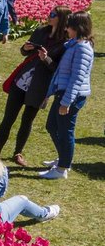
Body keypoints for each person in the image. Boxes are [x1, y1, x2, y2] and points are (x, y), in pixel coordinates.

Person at [0, 5, 70, 167]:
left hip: (40, 86)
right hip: (22, 81)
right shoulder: (41, 31)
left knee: (27, 121)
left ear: (61, 19)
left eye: (53, 14)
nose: (49, 16)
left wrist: (46, 59)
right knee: (8, 118)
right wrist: (25, 48)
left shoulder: (65, 42)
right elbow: (25, 53)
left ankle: (18, 152)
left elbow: (59, 69)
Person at [40, 11, 95, 180]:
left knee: (65, 131)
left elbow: (76, 78)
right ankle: (64, 158)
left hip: (71, 96)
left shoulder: (82, 48)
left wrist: (66, 102)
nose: (66, 29)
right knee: (52, 126)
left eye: (69, 26)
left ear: (77, 28)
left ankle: (62, 168)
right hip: (63, 93)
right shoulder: (73, 44)